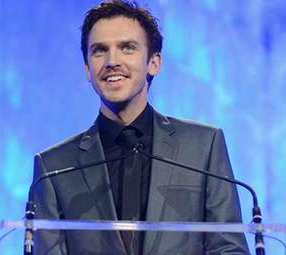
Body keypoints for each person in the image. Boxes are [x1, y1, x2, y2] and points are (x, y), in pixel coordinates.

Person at [31, 0, 250, 254]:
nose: (112, 61)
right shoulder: (53, 168)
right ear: (87, 69)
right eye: (99, 51)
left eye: (127, 47)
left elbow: (229, 249)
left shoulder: (203, 146)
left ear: (154, 62)